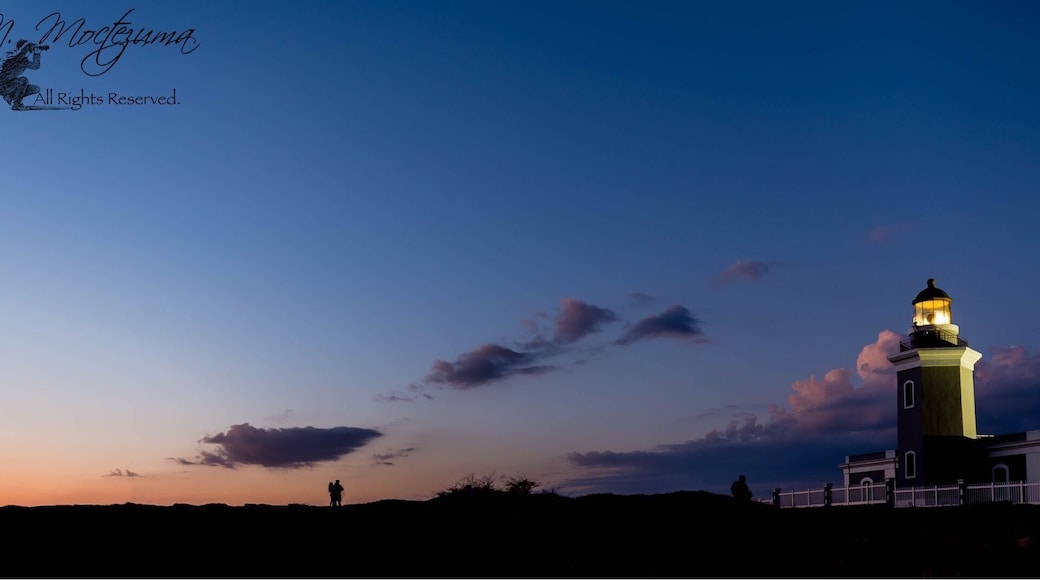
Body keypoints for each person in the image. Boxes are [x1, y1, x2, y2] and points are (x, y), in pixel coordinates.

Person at [1, 40, 47, 111]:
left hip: (13, 85)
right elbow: (19, 55)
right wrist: (30, 47)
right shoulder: (10, 56)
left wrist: (37, 53)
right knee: (24, 80)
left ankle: (11, 96)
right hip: (3, 86)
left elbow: (35, 66)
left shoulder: (23, 61)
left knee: (35, 89)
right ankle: (16, 104)